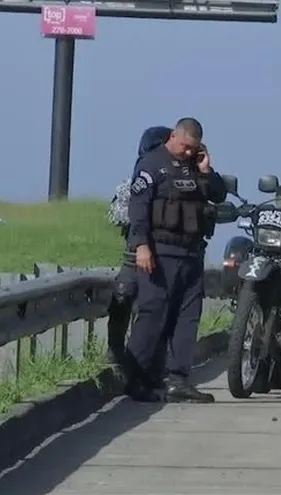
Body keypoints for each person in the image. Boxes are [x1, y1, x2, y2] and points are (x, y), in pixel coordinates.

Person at [123, 117, 228, 403]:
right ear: (173, 136)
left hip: (192, 253)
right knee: (152, 316)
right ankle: (137, 379)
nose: (187, 153)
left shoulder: (197, 166)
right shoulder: (151, 164)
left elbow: (219, 194)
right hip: (160, 251)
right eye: (184, 147)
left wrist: (207, 172)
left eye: (193, 149)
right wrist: (141, 245)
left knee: (187, 318)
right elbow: (139, 209)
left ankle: (178, 379)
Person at [106, 126, 173, 375]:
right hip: (135, 255)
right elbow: (118, 215)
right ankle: (115, 351)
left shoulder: (183, 178)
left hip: (169, 254)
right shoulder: (133, 182)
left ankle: (155, 363)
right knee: (122, 294)